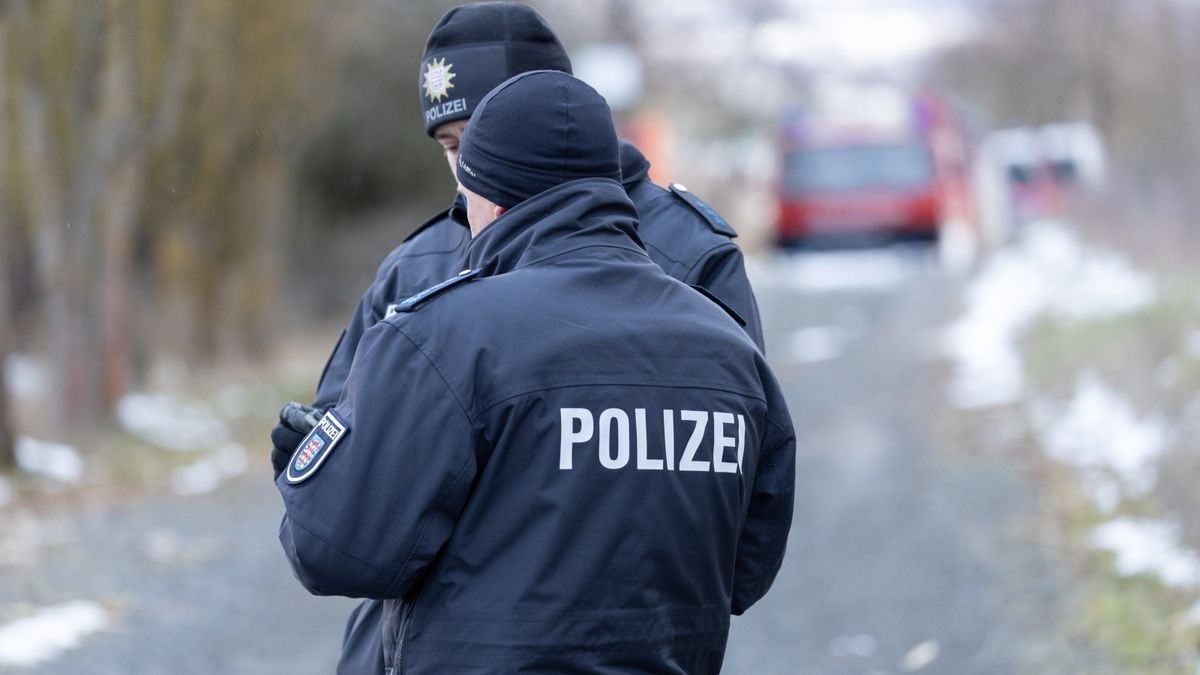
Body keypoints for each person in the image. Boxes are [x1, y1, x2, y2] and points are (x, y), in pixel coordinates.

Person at [268, 4, 765, 671]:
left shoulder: (688, 251)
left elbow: (730, 515)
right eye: (449, 147)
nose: (467, 171)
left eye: (477, 138)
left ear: (554, 112)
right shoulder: (422, 260)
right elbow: (352, 484)